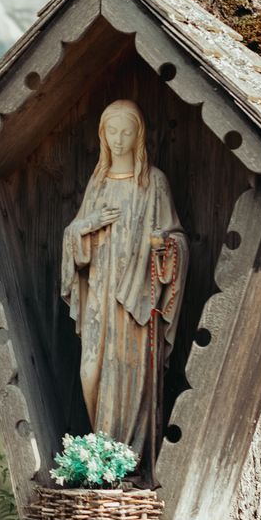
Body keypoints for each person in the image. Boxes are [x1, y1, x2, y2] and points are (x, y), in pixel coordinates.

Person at [60, 99, 187, 481]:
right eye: (111, 131)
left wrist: (166, 248)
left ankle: (127, 460)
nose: (118, 139)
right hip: (100, 296)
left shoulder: (153, 183)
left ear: (139, 136)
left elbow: (177, 237)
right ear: (102, 135)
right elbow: (73, 242)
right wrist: (89, 224)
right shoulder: (97, 184)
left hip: (136, 300)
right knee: (91, 371)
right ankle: (102, 449)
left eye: (125, 131)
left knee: (131, 373)